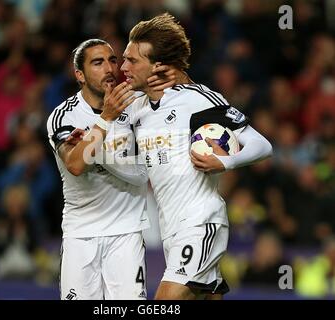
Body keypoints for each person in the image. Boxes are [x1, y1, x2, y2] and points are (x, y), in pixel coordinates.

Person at [118, 13, 273, 300]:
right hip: (170, 231)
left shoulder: (198, 100)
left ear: (159, 67)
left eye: (132, 61)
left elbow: (261, 144)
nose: (123, 67)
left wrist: (224, 161)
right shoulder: (136, 108)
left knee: (164, 302)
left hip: (201, 222)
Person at [46, 39, 178, 300]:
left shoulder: (137, 105)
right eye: (98, 62)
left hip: (126, 233)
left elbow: (143, 172)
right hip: (81, 234)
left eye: (112, 60)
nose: (108, 68)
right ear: (79, 75)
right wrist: (105, 118)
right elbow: (75, 164)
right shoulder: (64, 116)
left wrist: (178, 75)